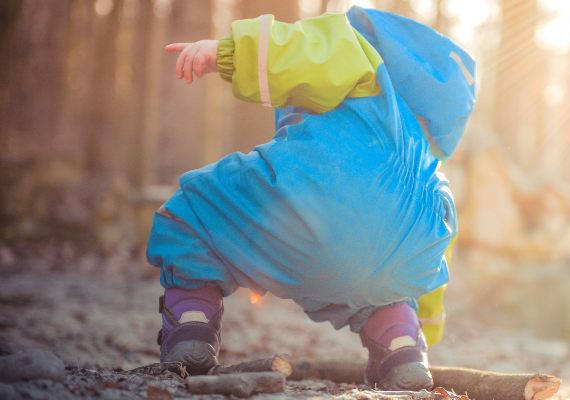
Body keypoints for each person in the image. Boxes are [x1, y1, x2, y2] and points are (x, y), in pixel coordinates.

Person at [148, 6, 475, 390]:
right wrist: (428, 328)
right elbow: (436, 260)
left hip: (310, 211)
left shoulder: (364, 64)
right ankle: (401, 346)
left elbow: (304, 50)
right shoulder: (432, 176)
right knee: (388, 287)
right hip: (394, 264)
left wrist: (225, 53)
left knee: (194, 213)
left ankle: (192, 326)